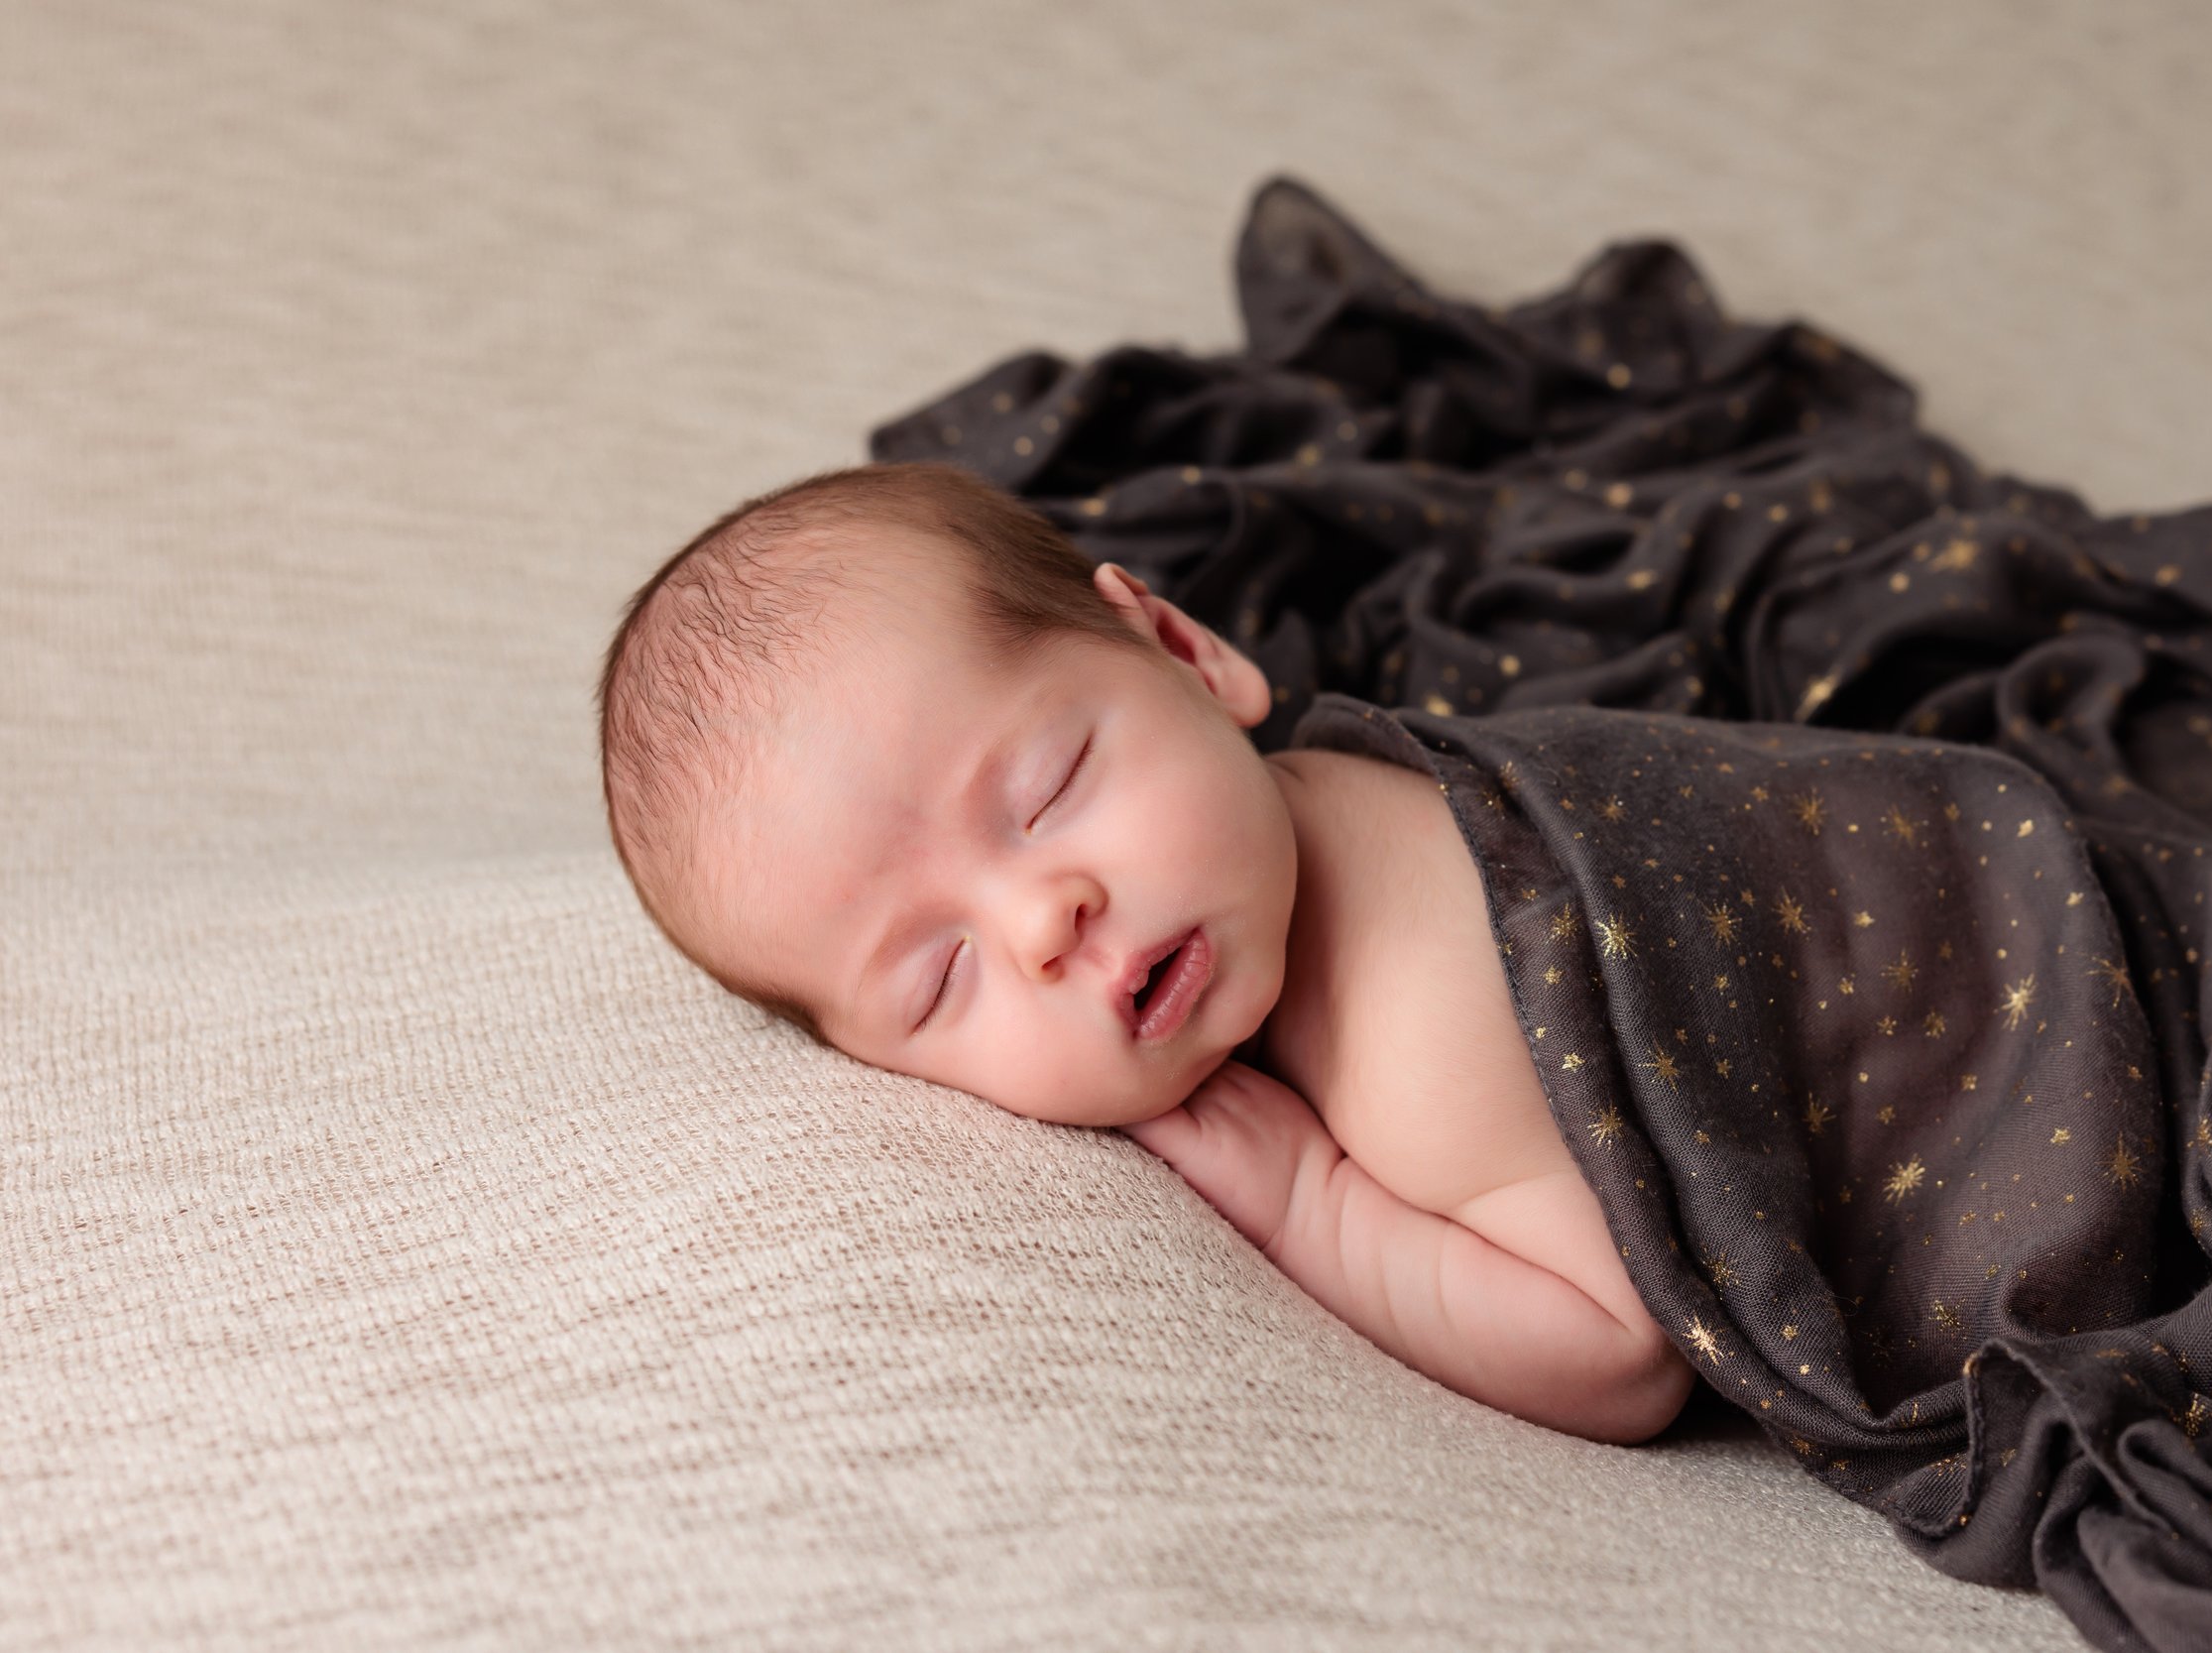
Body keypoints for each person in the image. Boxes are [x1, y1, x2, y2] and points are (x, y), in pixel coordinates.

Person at [599, 459, 1696, 1445]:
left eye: (1048, 790)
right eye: (942, 975)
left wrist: (1309, 1199)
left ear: (1186, 651)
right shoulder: (1283, 824)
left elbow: (1620, 1349)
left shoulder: (1416, 1011)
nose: (1041, 925)